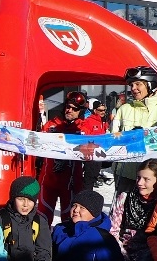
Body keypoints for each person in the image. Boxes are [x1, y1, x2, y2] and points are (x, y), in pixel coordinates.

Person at [38, 90, 106, 222]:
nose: (69, 110)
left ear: (80, 111)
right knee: (43, 218)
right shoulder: (51, 125)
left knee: (69, 220)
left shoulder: (83, 127)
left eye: (74, 109)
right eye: (68, 107)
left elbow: (100, 144)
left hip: (71, 183)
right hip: (48, 181)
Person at [111, 66, 157, 195]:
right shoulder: (124, 109)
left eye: (138, 84)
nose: (133, 88)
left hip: (154, 176)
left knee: (152, 213)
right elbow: (112, 138)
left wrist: (148, 136)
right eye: (131, 85)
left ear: (151, 85)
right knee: (123, 213)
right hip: (125, 174)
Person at [108, 158, 157, 261]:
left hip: (151, 255)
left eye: (146, 179)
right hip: (124, 251)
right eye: (138, 178)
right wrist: (122, 255)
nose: (140, 183)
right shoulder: (126, 197)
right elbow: (113, 229)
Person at [0, 175, 53, 261]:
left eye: (30, 200)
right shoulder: (1, 218)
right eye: (21, 199)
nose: (25, 204)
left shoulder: (39, 221)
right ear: (12, 198)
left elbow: (44, 253)